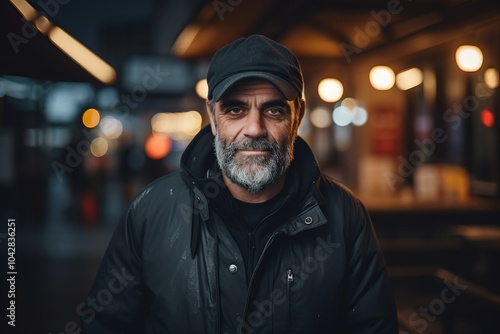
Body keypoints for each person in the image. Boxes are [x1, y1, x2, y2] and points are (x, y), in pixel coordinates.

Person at [80, 35, 398, 334]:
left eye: (273, 109)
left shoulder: (346, 216)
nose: (254, 128)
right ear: (213, 116)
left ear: (297, 115)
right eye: (235, 109)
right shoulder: (151, 212)